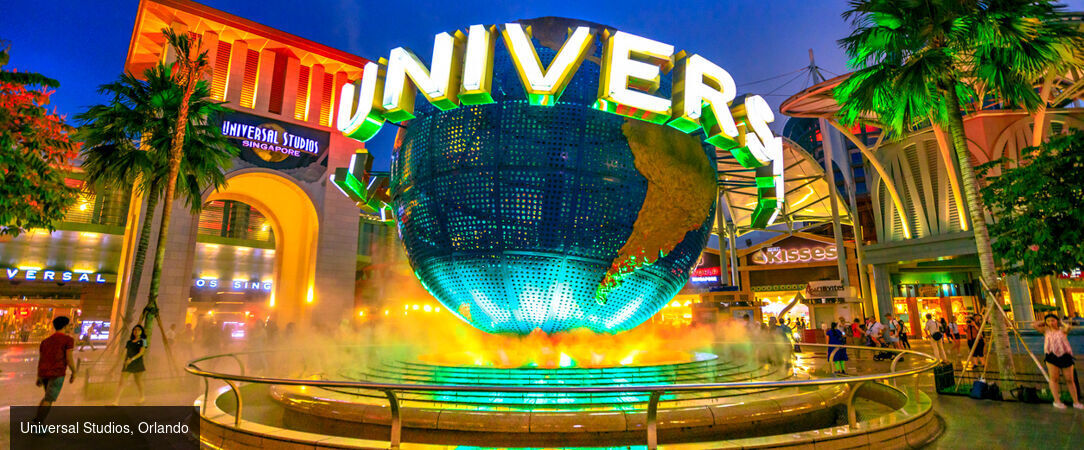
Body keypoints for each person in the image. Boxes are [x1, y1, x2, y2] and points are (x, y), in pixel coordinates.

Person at [33, 316, 76, 424]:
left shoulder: (45, 341)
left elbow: (41, 359)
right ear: (65, 326)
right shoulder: (68, 340)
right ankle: (38, 424)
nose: (70, 327)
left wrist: (39, 376)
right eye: (69, 325)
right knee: (48, 400)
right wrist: (74, 372)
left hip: (44, 373)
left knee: (47, 398)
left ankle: (37, 420)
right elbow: (69, 359)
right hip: (57, 373)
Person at [1034, 314, 1082, 409]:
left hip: (1065, 355)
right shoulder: (1045, 331)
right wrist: (1045, 321)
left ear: (1057, 321)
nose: (1051, 323)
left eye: (1053, 320)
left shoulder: (1062, 330)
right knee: (1054, 378)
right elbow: (1034, 325)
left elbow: (1068, 327)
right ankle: (1057, 401)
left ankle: (1076, 402)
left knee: (1069, 379)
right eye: (1049, 321)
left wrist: (1061, 322)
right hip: (1051, 356)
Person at [113, 324, 148, 405]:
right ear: (133, 331)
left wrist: (131, 359)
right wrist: (123, 360)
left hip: (137, 363)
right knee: (121, 382)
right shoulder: (129, 342)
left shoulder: (144, 341)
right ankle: (116, 401)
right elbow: (124, 352)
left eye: (139, 330)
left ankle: (142, 397)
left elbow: (141, 353)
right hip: (128, 363)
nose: (136, 331)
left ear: (141, 331)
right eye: (135, 330)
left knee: (138, 381)